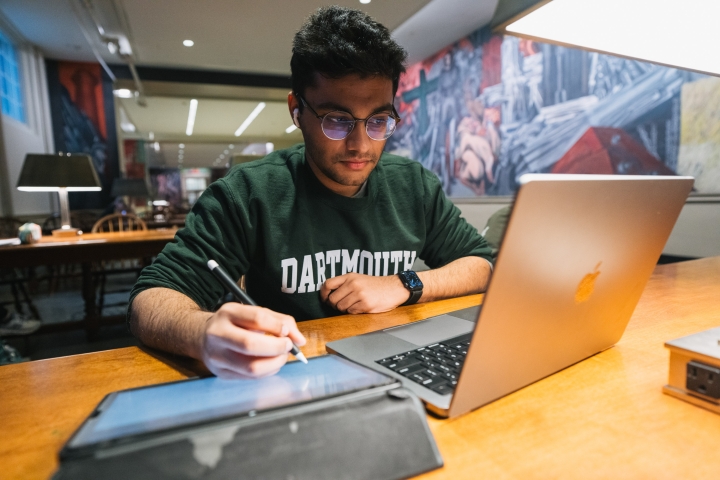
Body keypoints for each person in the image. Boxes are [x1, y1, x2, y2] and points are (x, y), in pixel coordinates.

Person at [129, 6, 493, 380]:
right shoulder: (249, 193)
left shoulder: (413, 185)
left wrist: (405, 284)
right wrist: (202, 333)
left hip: (400, 365)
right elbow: (151, 298)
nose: (360, 144)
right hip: (292, 376)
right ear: (297, 111)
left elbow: (482, 265)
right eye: (338, 121)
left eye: (379, 121)